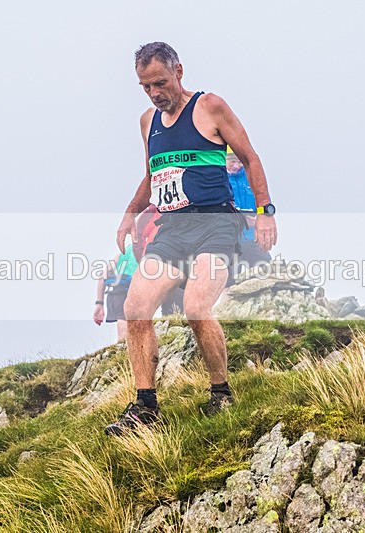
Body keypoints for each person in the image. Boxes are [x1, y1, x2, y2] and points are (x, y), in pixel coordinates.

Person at [106, 42, 277, 435]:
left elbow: (250, 157)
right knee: (136, 307)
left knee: (195, 305)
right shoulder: (148, 122)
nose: (154, 93)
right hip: (173, 229)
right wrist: (129, 216)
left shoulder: (209, 106)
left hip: (216, 223)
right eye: (145, 86)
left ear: (178, 72)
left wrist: (266, 212)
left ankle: (221, 392)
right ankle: (145, 407)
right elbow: (153, 175)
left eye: (160, 83)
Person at [222, 148, 272, 296]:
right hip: (229, 240)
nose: (236, 166)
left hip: (252, 238)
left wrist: (261, 218)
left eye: (239, 162)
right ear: (224, 161)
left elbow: (265, 202)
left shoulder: (252, 178)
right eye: (232, 161)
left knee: (266, 271)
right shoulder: (218, 179)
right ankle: (224, 314)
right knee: (228, 281)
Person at [93, 244, 138, 342]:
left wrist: (99, 304)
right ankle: (123, 349)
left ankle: (122, 348)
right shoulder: (148, 249)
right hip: (129, 291)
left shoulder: (124, 252)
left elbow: (102, 276)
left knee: (122, 319)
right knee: (125, 319)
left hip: (113, 294)